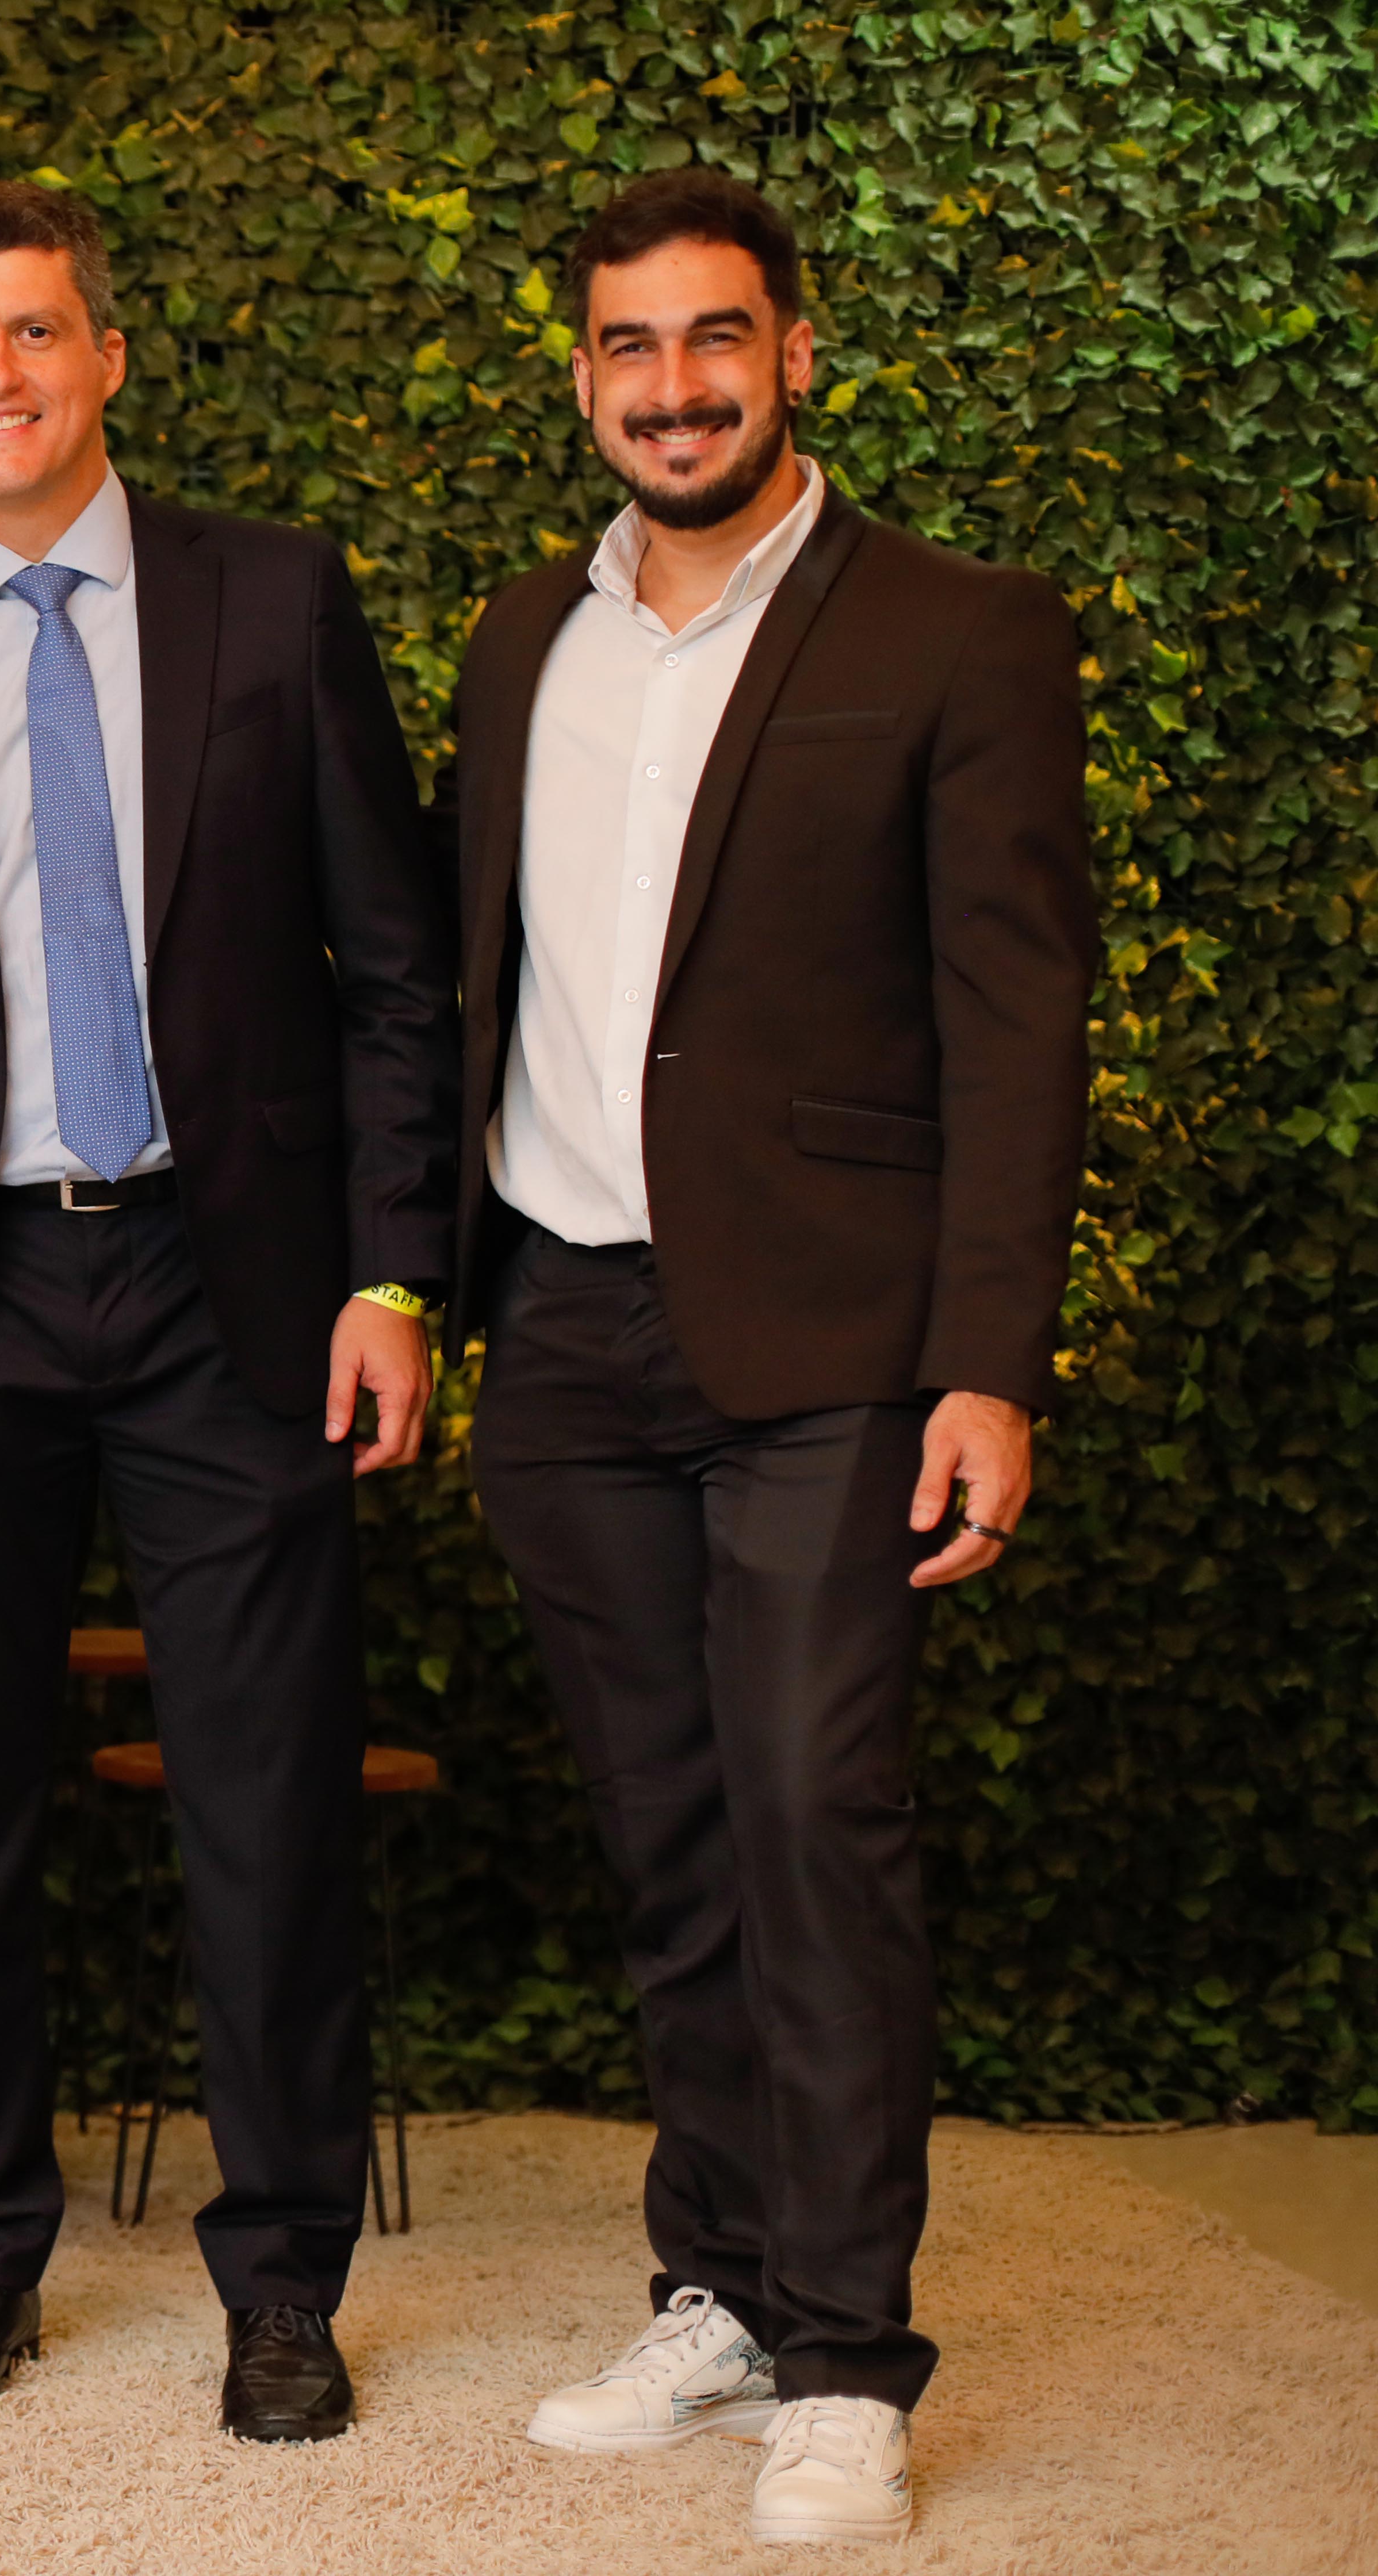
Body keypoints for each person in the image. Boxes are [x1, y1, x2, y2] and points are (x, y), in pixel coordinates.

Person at [0, 180, 462, 2440]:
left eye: (34, 331)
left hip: (231, 1284)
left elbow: (399, 972)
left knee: (269, 1812)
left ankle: (285, 2281)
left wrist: (393, 1269)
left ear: (108, 356)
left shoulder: (276, 599)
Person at [459, 170, 1093, 2547]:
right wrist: (420, 1283)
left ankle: (845, 2349)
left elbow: (1018, 1018)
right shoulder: (525, 639)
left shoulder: (958, 629)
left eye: (717, 338)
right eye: (631, 347)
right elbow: (471, 979)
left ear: (795, 353)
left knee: (818, 1830)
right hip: (568, 1322)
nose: (676, 387)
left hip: (834, 1338)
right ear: (584, 377)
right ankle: (717, 2284)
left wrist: (986, 1362)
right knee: (674, 1838)